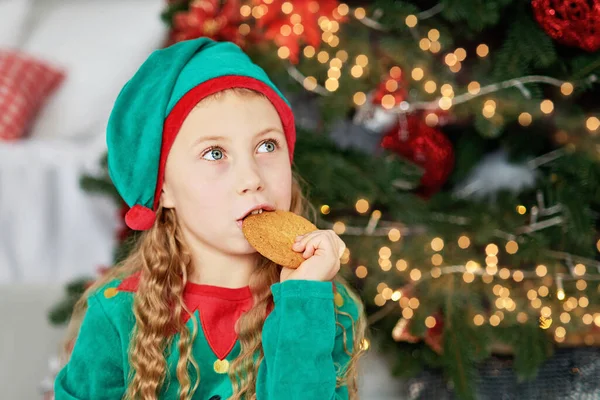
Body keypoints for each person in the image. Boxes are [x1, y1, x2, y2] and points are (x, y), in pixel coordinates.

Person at [54, 37, 367, 400]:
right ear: (163, 187)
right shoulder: (116, 314)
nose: (252, 179)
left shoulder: (327, 306)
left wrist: (302, 300)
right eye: (215, 153)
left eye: (267, 146)